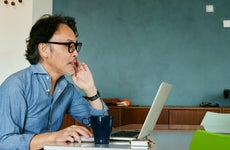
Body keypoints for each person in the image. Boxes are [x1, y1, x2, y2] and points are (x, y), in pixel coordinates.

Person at [0, 14, 108, 150]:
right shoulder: (16, 86)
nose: (75, 53)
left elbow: (101, 127)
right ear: (44, 49)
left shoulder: (66, 89)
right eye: (69, 45)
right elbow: (4, 142)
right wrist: (52, 137)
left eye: (75, 46)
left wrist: (90, 89)